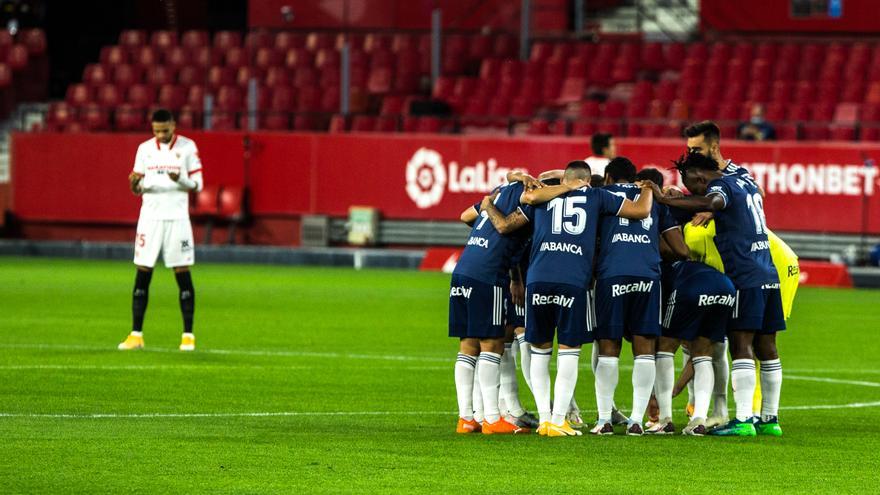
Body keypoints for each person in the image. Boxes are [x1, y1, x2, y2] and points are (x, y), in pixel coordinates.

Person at [498, 160, 652, 436]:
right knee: (569, 352)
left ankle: (546, 418)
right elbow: (641, 211)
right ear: (587, 180)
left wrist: (536, 178)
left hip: (538, 278)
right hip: (572, 280)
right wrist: (649, 188)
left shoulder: (542, 194)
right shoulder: (597, 196)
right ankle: (559, 420)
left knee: (540, 352)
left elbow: (525, 191)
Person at [649, 152, 785, 437]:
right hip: (768, 272)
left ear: (698, 175)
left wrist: (666, 200)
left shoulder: (720, 187)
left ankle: (745, 419)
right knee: (767, 347)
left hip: (744, 274)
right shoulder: (745, 181)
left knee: (741, 344)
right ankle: (769, 418)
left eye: (689, 182)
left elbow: (713, 201)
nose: (690, 189)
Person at [591, 158, 688, 436]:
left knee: (609, 348)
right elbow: (677, 246)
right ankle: (635, 420)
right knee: (644, 348)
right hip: (648, 276)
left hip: (612, 274)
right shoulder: (653, 199)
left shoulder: (601, 195)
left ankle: (604, 420)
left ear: (608, 177)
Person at [451, 178, 537, 435]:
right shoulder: (522, 205)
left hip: (462, 271)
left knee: (468, 345)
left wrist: (487, 206)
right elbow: (503, 227)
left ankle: (466, 418)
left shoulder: (497, 196)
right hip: (487, 276)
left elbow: (465, 215)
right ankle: (491, 418)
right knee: (493, 343)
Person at [119, 109, 203, 352]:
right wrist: (135, 185)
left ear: (174, 125)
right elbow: (138, 187)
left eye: (165, 130)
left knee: (182, 272)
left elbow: (198, 184)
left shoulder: (188, 147)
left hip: (177, 218)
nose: (160, 135)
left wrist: (180, 180)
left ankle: (188, 336)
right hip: (150, 218)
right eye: (156, 130)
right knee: (143, 271)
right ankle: (136, 335)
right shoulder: (144, 149)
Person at [657, 260, 736, 435]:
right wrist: (677, 388)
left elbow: (667, 341)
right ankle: (698, 420)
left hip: (693, 288)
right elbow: (694, 356)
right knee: (703, 353)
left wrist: (659, 393)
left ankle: (664, 419)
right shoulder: (685, 268)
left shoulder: (660, 274)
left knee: (665, 347)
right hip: (726, 288)